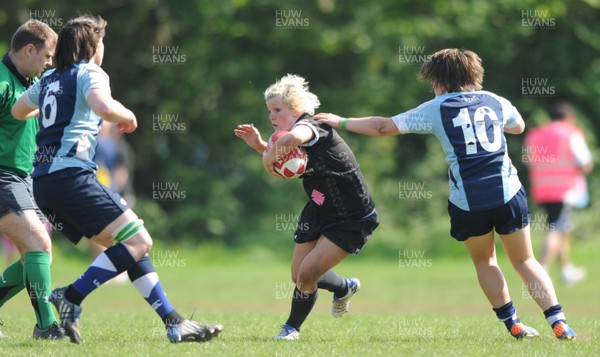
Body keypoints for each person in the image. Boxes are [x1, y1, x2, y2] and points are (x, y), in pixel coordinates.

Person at [314, 48, 576, 340]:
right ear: (474, 75)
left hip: (468, 201)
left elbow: (382, 126)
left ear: (439, 80)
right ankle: (559, 321)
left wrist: (340, 121)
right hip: (508, 193)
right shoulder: (496, 101)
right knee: (525, 261)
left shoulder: (436, 108)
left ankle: (513, 323)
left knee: (485, 262)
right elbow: (518, 127)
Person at [11, 15, 222, 344]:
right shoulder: (90, 71)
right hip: (71, 176)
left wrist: (60, 112)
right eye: (102, 42)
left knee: (131, 247)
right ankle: (72, 297)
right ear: (93, 46)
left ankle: (174, 321)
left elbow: (18, 111)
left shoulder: (51, 77)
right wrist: (128, 116)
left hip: (45, 184)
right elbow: (104, 107)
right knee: (141, 242)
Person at [234, 74, 379, 340]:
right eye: (269, 111)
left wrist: (267, 157)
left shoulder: (312, 126)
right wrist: (261, 148)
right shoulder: (290, 137)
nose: (272, 117)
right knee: (298, 275)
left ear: (296, 110)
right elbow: (287, 166)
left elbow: (292, 141)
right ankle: (344, 287)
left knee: (308, 273)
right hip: (319, 208)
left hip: (351, 215)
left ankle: (290, 329)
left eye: (277, 110)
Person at [0, 19, 64, 340]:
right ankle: (48, 327)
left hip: (23, 179)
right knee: (38, 244)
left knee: (36, 256)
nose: (50, 63)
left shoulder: (30, 83)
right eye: (48, 56)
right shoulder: (1, 83)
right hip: (2, 178)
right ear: (29, 49)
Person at [524, 102, 593, 285]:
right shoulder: (570, 134)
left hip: (541, 187)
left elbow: (529, 160)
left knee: (561, 226)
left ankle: (566, 270)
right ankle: (542, 272)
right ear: (569, 118)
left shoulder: (536, 134)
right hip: (563, 189)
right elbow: (585, 162)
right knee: (555, 228)